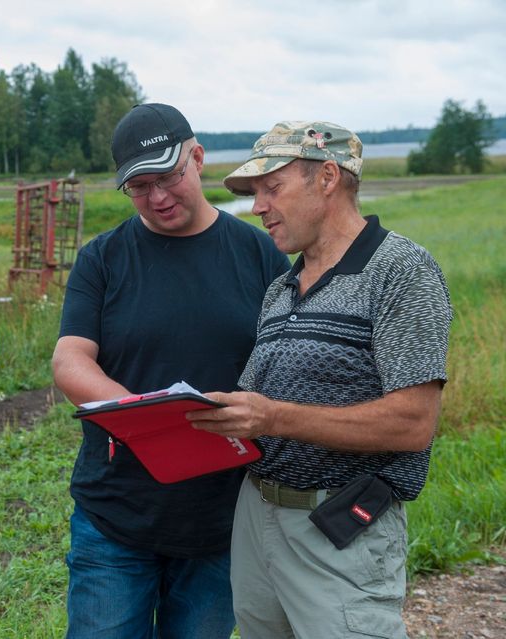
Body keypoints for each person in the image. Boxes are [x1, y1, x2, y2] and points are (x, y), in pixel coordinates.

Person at [189, 121, 453, 639]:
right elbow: (259, 411)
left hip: (339, 528)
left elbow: (413, 424)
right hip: (257, 519)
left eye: (272, 188)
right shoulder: (281, 288)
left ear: (327, 177)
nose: (258, 206)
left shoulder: (402, 270)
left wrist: (273, 417)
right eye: (254, 194)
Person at [51, 103, 290, 638]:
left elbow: (287, 365)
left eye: (169, 177)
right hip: (115, 514)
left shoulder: (261, 256)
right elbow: (70, 360)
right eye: (139, 187)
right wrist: (149, 421)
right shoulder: (103, 258)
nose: (157, 198)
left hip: (222, 519)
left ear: (198, 158)